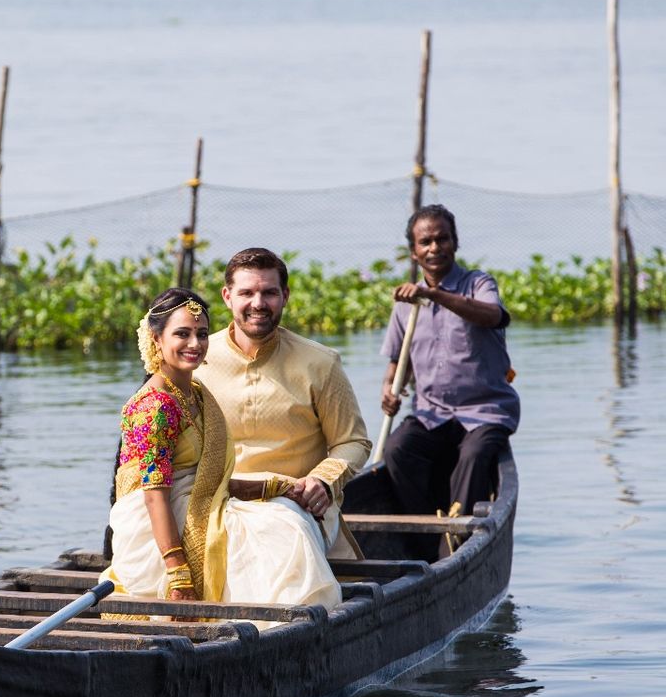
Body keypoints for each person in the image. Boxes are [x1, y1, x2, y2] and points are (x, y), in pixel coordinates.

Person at [106, 287, 341, 613]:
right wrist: (178, 573)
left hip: (198, 503)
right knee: (281, 531)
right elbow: (153, 495)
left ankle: (292, 623)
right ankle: (278, 623)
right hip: (157, 523)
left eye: (202, 334)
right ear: (157, 339)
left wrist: (277, 487)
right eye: (182, 334)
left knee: (287, 515)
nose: (195, 344)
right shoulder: (154, 405)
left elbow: (209, 479)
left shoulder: (196, 393)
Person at [196, 247, 371, 560]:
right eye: (246, 292)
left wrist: (322, 481)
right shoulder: (198, 360)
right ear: (227, 296)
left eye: (269, 293)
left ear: (285, 295)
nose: (258, 304)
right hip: (219, 504)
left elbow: (353, 442)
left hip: (298, 506)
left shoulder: (320, 363)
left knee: (278, 532)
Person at [380, 204, 520, 521]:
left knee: (473, 456)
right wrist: (390, 390)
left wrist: (434, 295)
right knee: (397, 450)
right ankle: (426, 531)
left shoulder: (479, 284)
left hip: (485, 412)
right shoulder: (406, 304)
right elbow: (397, 364)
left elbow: (493, 316)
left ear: (454, 243)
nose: (434, 248)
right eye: (425, 242)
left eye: (442, 239)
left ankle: (454, 540)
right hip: (432, 413)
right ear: (413, 252)